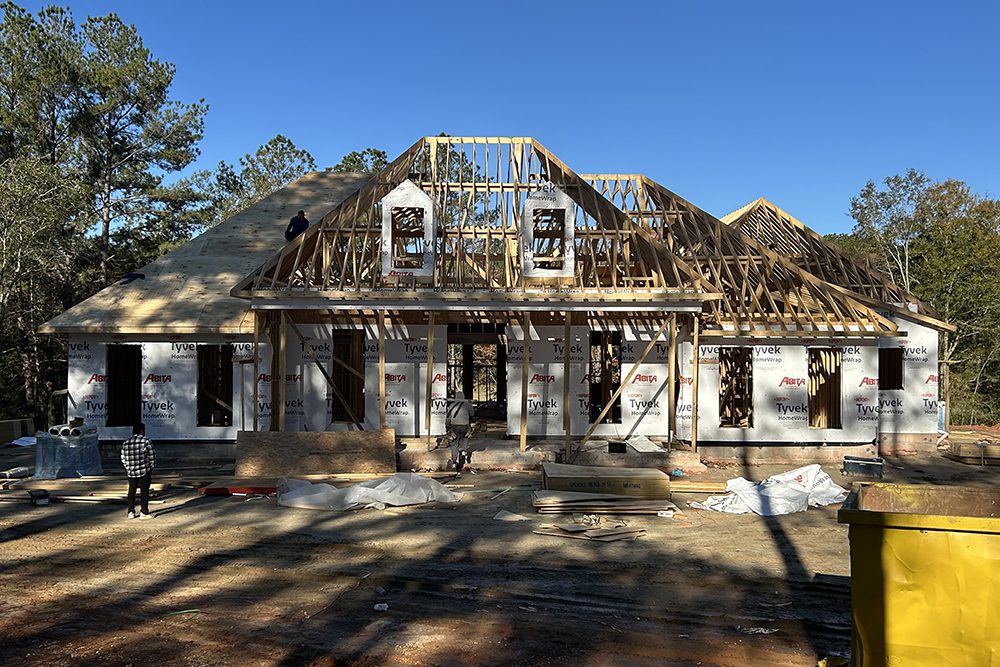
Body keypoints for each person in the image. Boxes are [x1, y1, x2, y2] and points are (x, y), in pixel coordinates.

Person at [121, 423, 156, 520]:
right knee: (144, 492)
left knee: (131, 491)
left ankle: (130, 511)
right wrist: (151, 467)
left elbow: (123, 458)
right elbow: (152, 456)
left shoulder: (126, 442)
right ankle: (144, 512)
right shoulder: (146, 441)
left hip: (131, 472)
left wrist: (128, 467)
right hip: (144, 470)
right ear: (142, 431)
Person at [446, 391, 473, 475]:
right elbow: (472, 413)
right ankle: (464, 451)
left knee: (454, 444)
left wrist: (447, 426)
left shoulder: (451, 405)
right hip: (465, 426)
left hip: (455, 427)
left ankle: (454, 462)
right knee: (464, 440)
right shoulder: (467, 405)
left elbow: (448, 417)